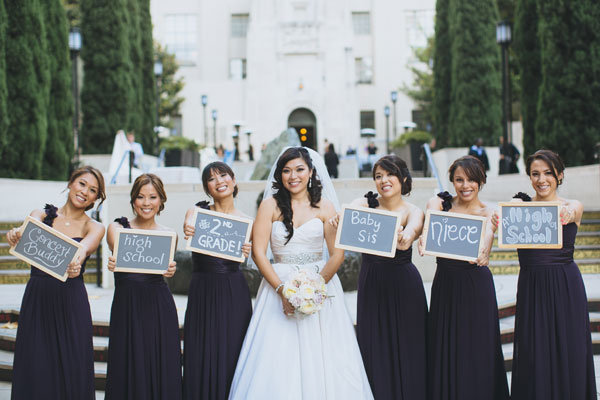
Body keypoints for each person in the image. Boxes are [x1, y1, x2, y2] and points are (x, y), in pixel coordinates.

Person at [228, 146, 373, 399]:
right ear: (279, 175)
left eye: (299, 169)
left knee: (329, 357)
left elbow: (337, 254)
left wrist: (315, 288)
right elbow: (259, 253)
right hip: (277, 285)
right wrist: (283, 290)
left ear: (311, 172)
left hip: (321, 286)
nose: (292, 176)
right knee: (276, 359)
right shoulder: (269, 206)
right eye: (286, 171)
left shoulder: (326, 207)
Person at [493, 150, 596, 399]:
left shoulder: (572, 206)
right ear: (529, 177)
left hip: (565, 283)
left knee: (569, 346)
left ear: (559, 175)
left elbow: (573, 210)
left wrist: (567, 214)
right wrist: (503, 213)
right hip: (532, 285)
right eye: (535, 174)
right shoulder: (520, 207)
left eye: (548, 173)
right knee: (534, 349)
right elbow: (501, 213)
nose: (542, 179)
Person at [330, 155, 427, 399]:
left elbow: (414, 229)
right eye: (378, 176)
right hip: (372, 280)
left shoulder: (412, 210)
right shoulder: (367, 203)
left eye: (390, 174)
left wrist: (407, 236)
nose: (384, 180)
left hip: (403, 283)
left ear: (403, 178)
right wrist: (341, 217)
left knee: (408, 343)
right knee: (374, 342)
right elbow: (349, 210)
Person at [7, 166, 106, 399]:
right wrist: (14, 233)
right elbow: (23, 231)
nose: (85, 192)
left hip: (71, 300)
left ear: (96, 198)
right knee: (35, 364)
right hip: (38, 298)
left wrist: (76, 261)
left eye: (92, 190)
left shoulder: (95, 227)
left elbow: (84, 248)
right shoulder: (40, 215)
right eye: (82, 184)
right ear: (70, 183)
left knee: (72, 364)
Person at [418, 156, 509, 400]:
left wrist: (485, 249)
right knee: (445, 343)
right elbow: (428, 225)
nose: (465, 185)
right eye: (459, 180)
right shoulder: (440, 205)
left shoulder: (490, 211)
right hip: (446, 282)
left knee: (477, 345)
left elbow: (488, 236)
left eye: (471, 179)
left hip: (475, 284)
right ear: (452, 181)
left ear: (481, 181)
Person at [105, 173, 181, 400]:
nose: (146, 203)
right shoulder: (117, 228)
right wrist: (115, 261)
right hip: (127, 307)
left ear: (161, 201)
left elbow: (164, 267)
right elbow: (118, 252)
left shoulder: (169, 235)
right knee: (126, 362)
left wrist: (170, 270)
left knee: (158, 363)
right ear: (133, 200)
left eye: (152, 197)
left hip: (158, 307)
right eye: (140, 197)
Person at [182, 162, 252, 400]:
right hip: (203, 287)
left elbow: (249, 257)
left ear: (233, 180)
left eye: (223, 175)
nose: (219, 181)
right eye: (212, 179)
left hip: (233, 289)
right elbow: (188, 226)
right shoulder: (196, 213)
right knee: (202, 348)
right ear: (207, 188)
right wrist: (188, 227)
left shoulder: (246, 222)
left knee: (232, 346)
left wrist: (247, 250)